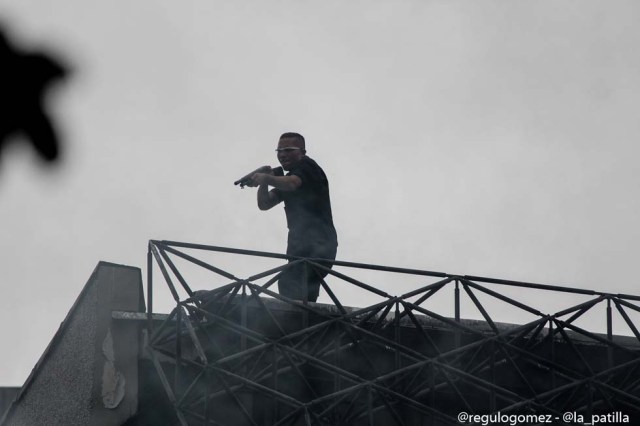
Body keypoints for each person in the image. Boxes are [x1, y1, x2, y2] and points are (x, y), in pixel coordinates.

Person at [247, 132, 338, 302]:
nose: (282, 155)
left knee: (290, 281)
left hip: (318, 245)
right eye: (279, 151)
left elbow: (293, 183)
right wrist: (264, 182)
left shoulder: (308, 167)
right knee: (302, 290)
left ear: (302, 151)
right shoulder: (286, 178)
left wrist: (267, 177)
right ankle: (305, 322)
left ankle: (295, 321)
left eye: (288, 150)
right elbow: (265, 204)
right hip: (299, 247)